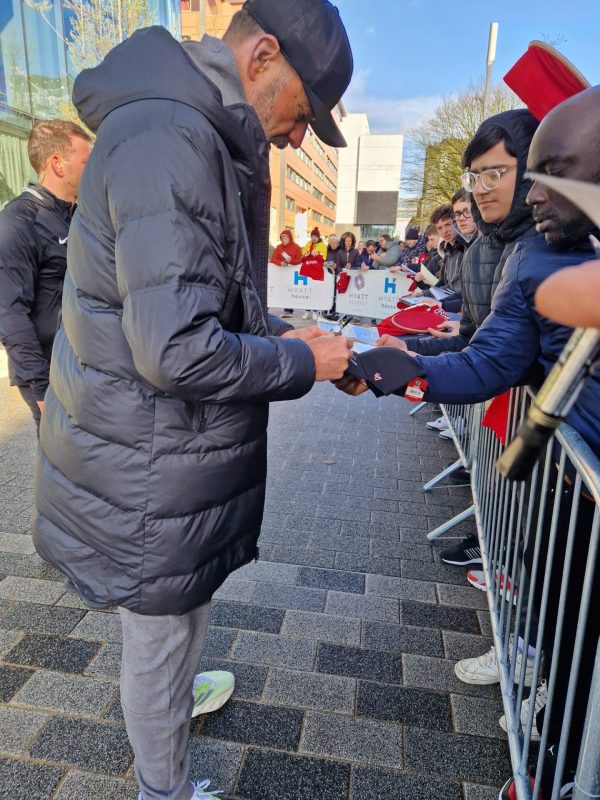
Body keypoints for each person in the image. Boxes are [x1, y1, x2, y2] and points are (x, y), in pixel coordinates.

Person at [33, 3, 353, 800]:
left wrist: (291, 339)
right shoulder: (170, 136)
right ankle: (162, 790)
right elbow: (177, 348)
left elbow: (207, 302)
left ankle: (170, 733)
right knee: (159, 641)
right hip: (147, 464)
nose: (299, 136)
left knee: (172, 632)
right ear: (264, 56)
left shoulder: (192, 129)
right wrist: (297, 361)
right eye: (304, 111)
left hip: (153, 455)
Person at [338, 85, 600, 800]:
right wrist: (411, 370)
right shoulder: (533, 262)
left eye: (551, 171)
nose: (529, 193)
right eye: (474, 176)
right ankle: (555, 762)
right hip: (573, 496)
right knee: (568, 635)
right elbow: (490, 360)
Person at [388, 109, 539, 357]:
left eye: (492, 175)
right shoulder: (475, 253)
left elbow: (494, 360)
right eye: (473, 178)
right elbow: (473, 342)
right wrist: (406, 352)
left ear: (528, 171)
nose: (480, 190)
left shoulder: (554, 250)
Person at [0, 120, 92, 432]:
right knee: (63, 468)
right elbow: (9, 311)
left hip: (86, 365)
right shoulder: (18, 222)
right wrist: (41, 390)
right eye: (85, 162)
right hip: (51, 373)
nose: (92, 169)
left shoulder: (79, 215)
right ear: (57, 164)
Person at [271, 228, 302, 318]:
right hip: (281, 273)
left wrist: (290, 260)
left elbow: (299, 260)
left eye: (285, 238)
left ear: (290, 238)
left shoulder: (296, 247)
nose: (283, 240)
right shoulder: (278, 247)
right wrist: (280, 263)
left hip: (292, 273)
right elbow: (273, 258)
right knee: (282, 288)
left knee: (290, 289)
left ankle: (288, 310)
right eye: (282, 238)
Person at [301, 226, 328, 320]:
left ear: (318, 237)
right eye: (312, 236)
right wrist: (306, 253)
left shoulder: (323, 245)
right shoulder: (308, 243)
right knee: (308, 291)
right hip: (308, 271)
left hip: (316, 271)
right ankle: (307, 311)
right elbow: (303, 253)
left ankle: (315, 311)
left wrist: (317, 254)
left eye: (315, 236)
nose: (313, 238)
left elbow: (324, 257)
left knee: (315, 291)